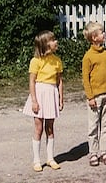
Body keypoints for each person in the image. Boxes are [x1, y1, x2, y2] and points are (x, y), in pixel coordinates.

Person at [22, 30, 64, 172]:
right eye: (53, 40)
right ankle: (36, 160)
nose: (56, 42)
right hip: (40, 94)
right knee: (39, 128)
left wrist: (60, 98)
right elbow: (32, 82)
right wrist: (34, 100)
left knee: (50, 128)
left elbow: (59, 81)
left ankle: (50, 158)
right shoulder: (36, 61)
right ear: (45, 45)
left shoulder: (57, 60)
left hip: (51, 94)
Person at [82, 21, 106, 167]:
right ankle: (93, 153)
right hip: (94, 97)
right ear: (94, 38)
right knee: (93, 125)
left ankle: (104, 151)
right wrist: (90, 97)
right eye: (102, 32)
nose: (104, 34)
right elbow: (85, 78)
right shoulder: (88, 57)